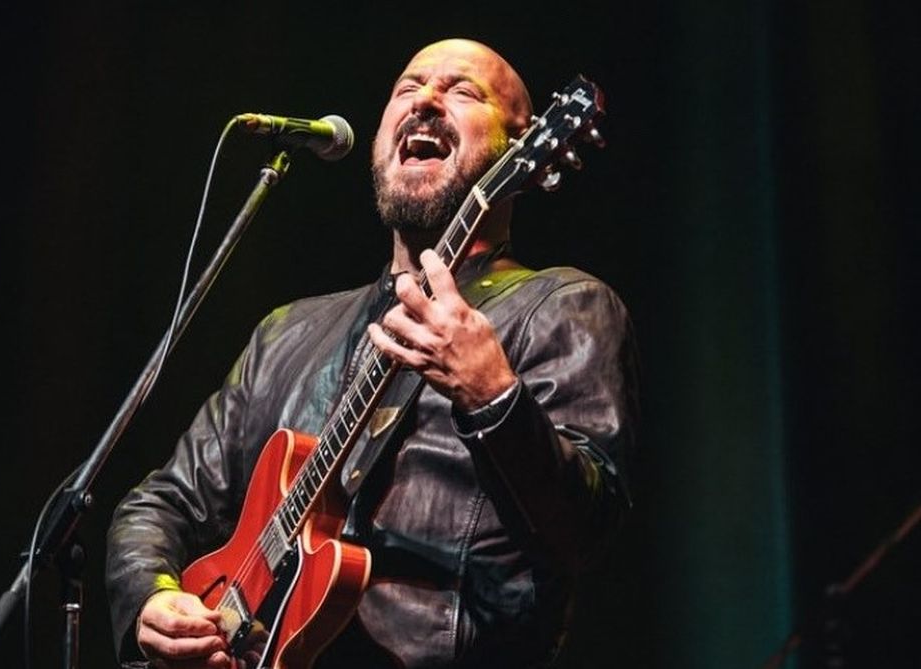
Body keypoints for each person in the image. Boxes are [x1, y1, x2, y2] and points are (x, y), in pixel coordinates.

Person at [105, 37, 640, 669]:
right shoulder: (286, 333)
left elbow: (589, 528)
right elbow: (163, 502)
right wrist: (153, 597)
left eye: (462, 91)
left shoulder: (563, 306)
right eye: (408, 88)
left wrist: (492, 396)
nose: (426, 101)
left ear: (522, 147)